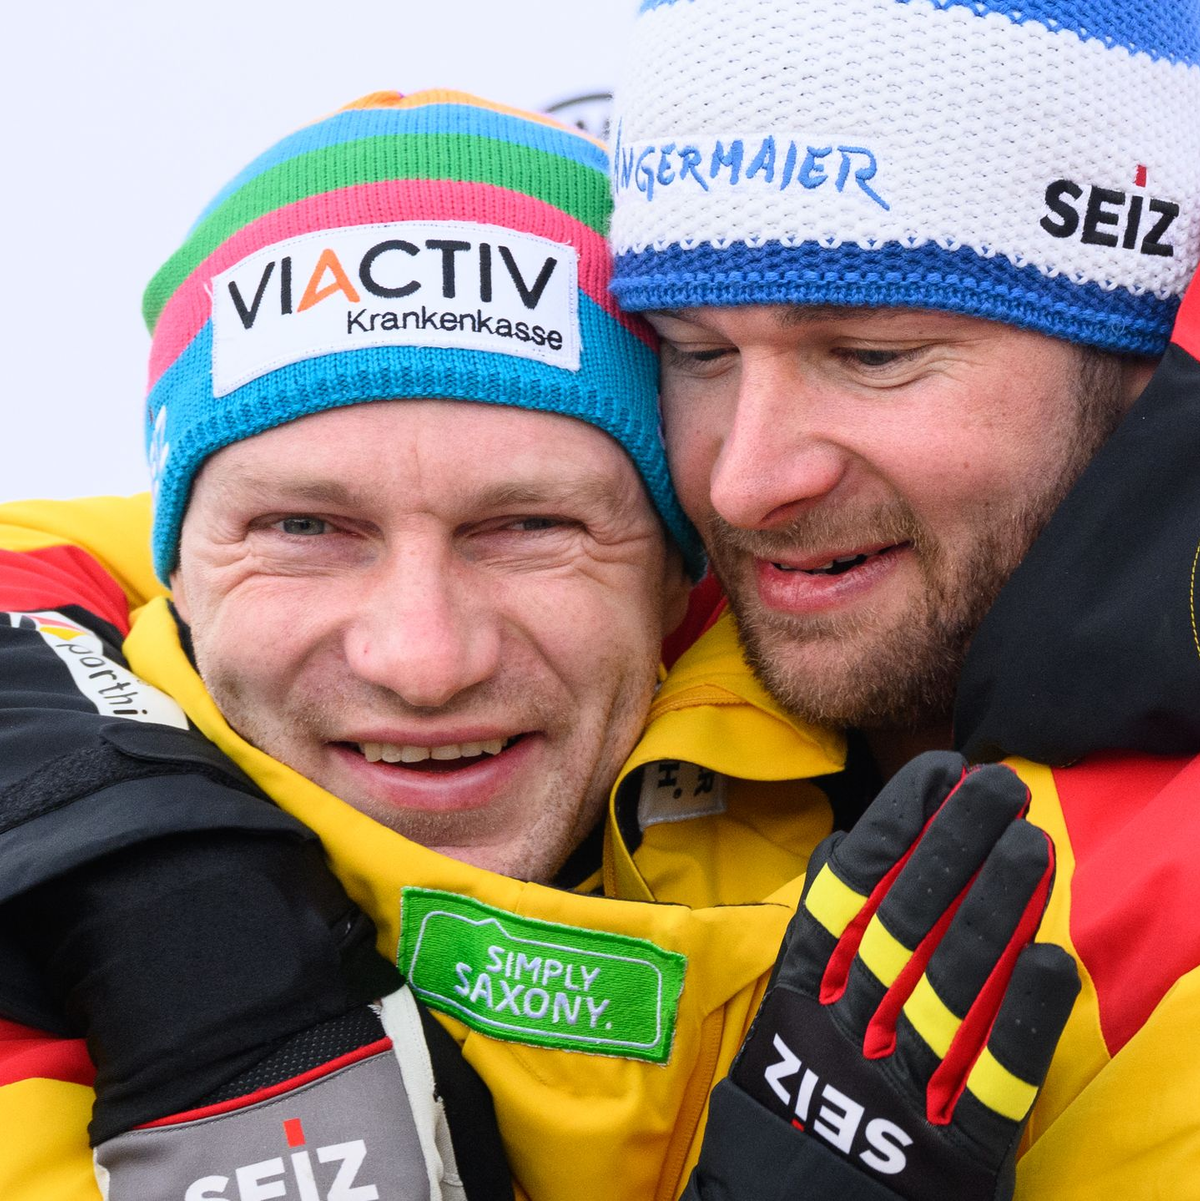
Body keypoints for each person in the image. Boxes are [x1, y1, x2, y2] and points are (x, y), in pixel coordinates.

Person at [0, 88, 1070, 1201]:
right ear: (175, 567)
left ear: (679, 569)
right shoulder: (35, 944)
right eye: (307, 529)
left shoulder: (936, 838)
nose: (424, 657)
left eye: (529, 527)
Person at [603, 0, 1200, 1195]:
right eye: (695, 353)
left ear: (1141, 360)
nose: (747, 479)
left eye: (873, 355)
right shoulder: (588, 640)